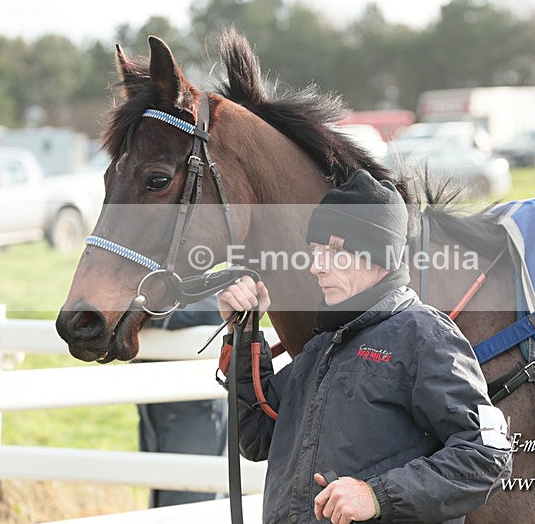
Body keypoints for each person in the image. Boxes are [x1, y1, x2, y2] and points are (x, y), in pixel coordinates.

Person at [218, 170, 512, 524]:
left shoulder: (426, 335)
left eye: (333, 251)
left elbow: (486, 457)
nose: (316, 267)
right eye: (315, 251)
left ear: (378, 257)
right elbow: (256, 438)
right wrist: (244, 333)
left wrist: (376, 495)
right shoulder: (322, 346)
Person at [138, 297, 227, 507]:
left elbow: (215, 308)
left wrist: (143, 313)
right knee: (163, 496)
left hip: (196, 416)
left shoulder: (200, 283)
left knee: (194, 499)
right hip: (156, 416)